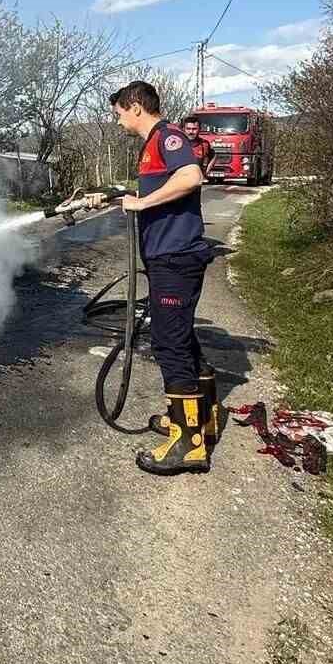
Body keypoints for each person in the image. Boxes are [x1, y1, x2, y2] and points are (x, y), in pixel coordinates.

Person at [86, 80, 218, 474]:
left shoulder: (167, 137)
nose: (118, 121)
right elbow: (158, 186)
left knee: (169, 343)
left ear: (135, 108)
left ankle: (189, 445)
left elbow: (191, 177)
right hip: (169, 258)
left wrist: (142, 203)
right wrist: (114, 196)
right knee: (183, 338)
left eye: (119, 114)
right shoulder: (152, 146)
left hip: (175, 259)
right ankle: (200, 420)